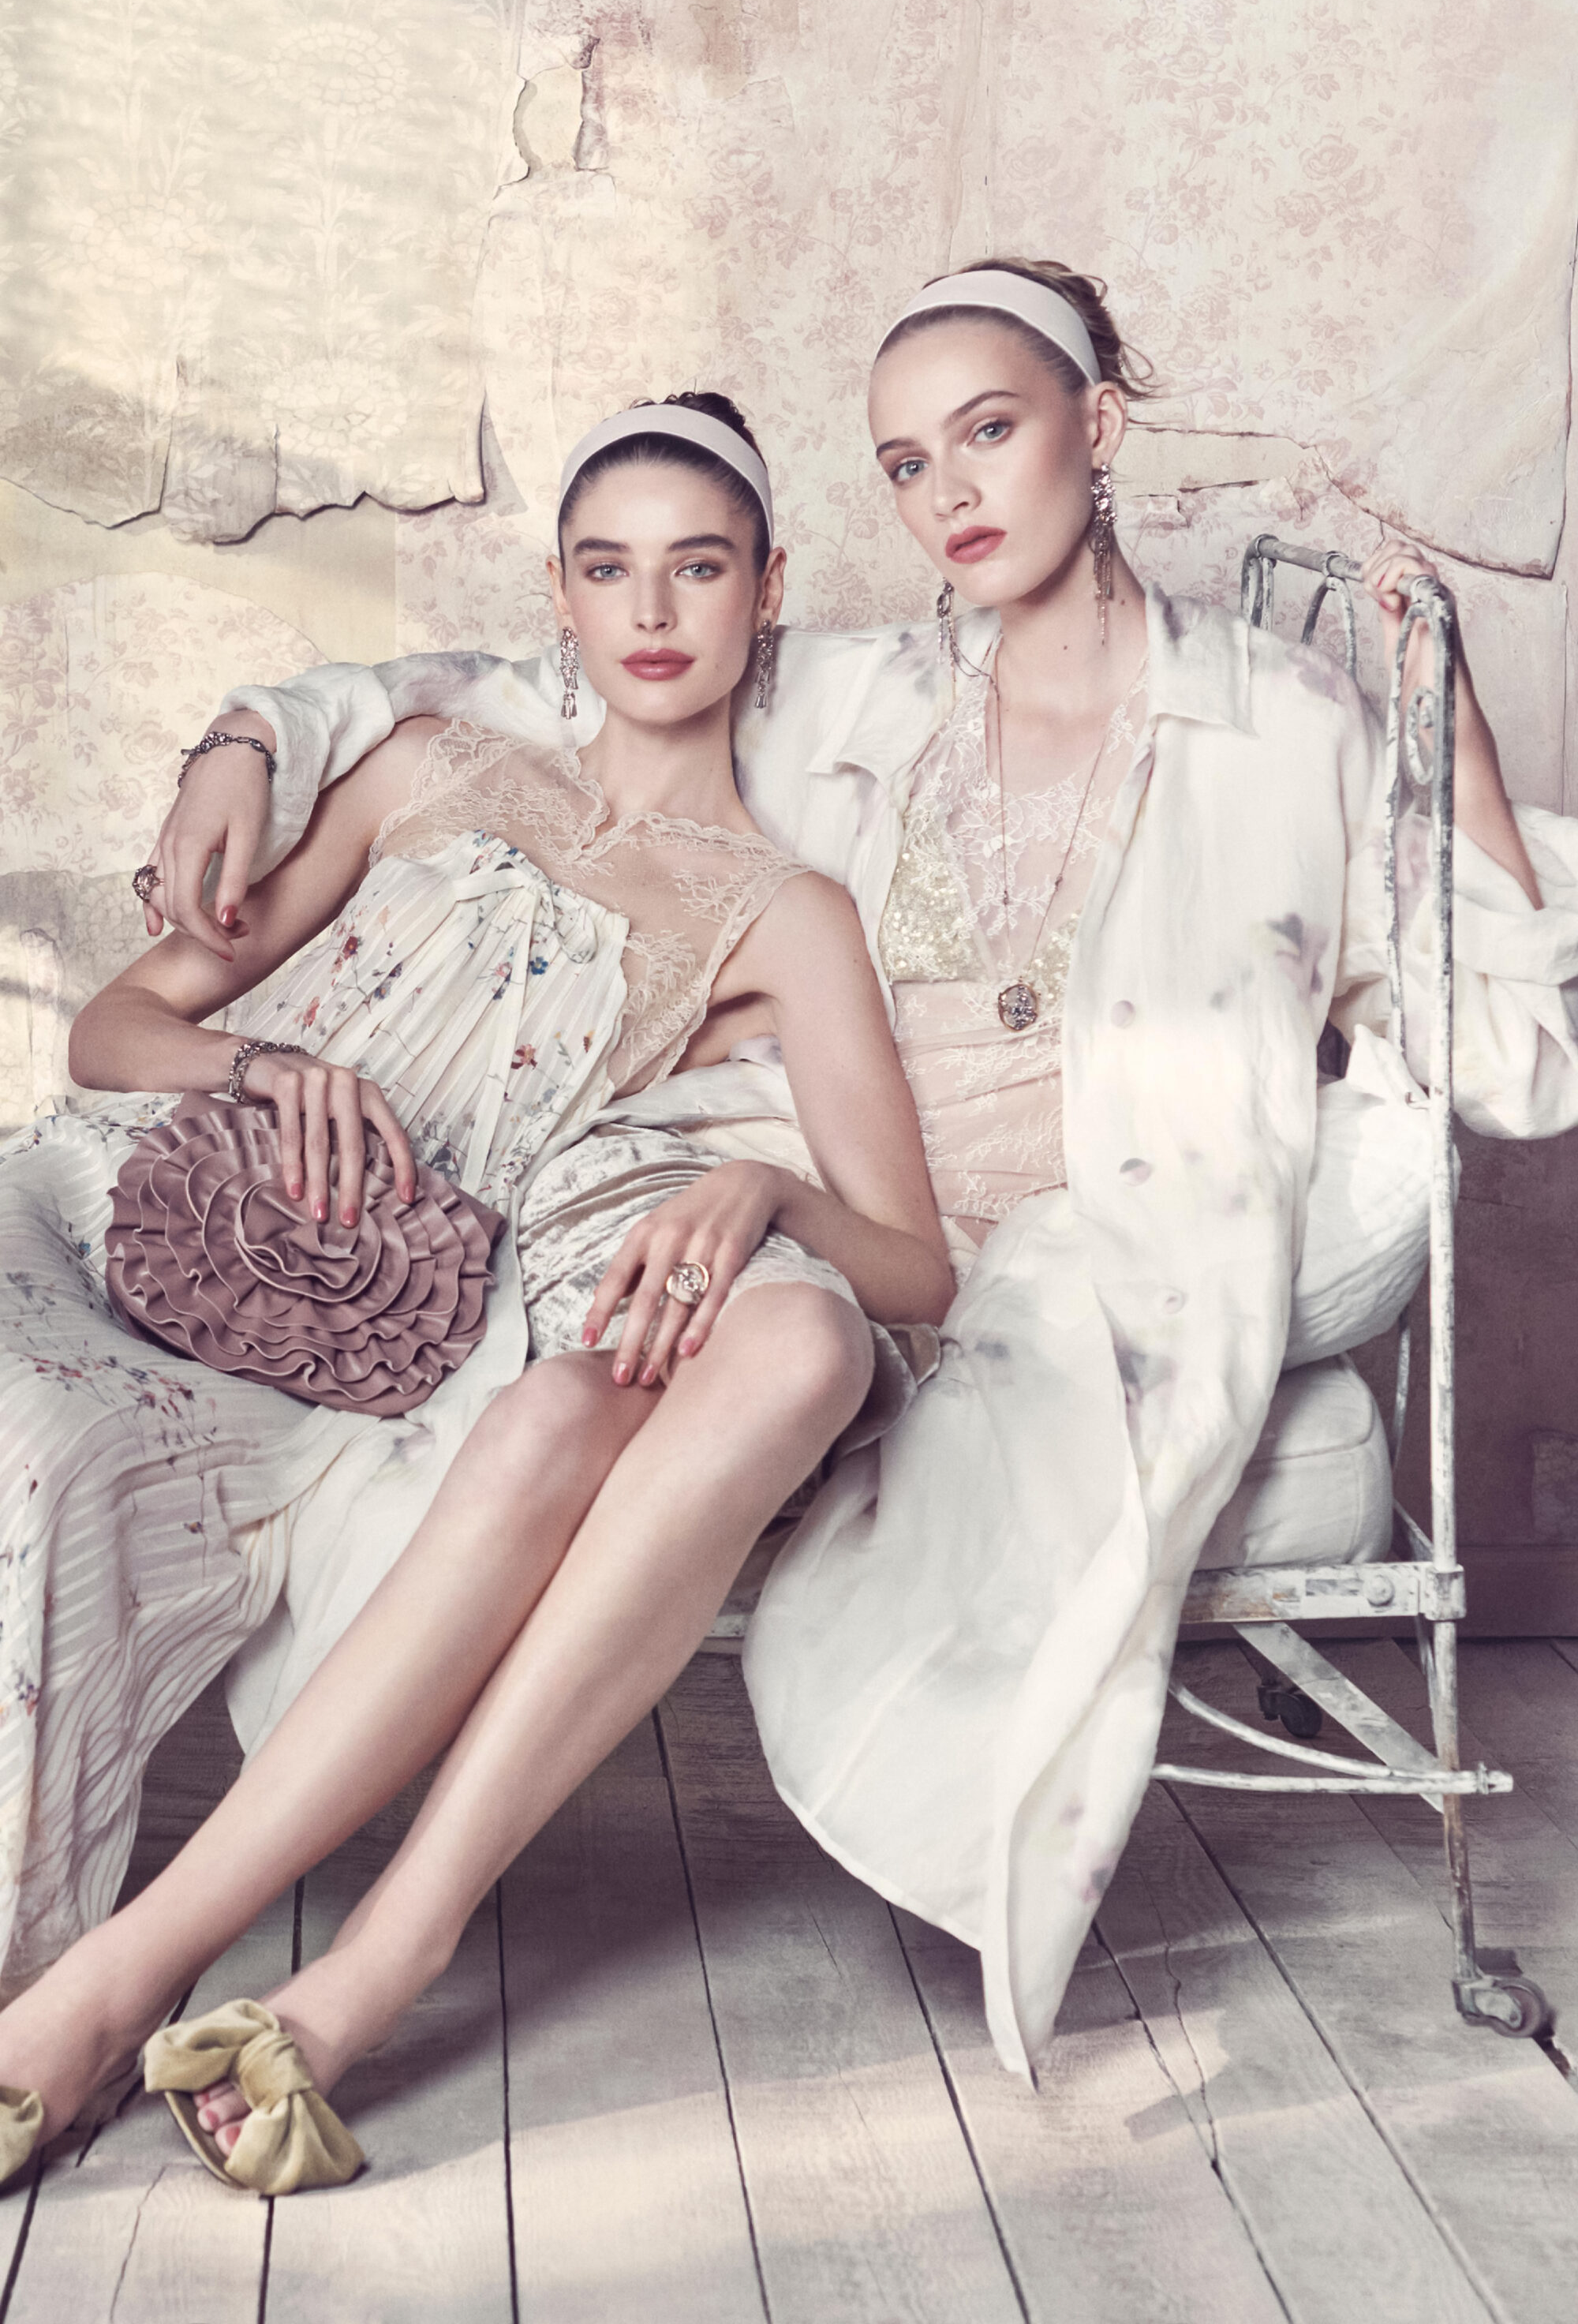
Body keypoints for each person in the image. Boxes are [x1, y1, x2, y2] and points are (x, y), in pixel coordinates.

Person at [132, 260, 1578, 2083]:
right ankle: (183, 1961)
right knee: (579, 1390)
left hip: (1067, 1253)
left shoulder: (1282, 721)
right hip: (807, 1193)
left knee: (752, 1370)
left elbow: (1506, 1055)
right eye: (903, 464)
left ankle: (349, 1962)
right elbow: (540, 682)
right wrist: (250, 736)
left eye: (988, 432)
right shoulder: (862, 690)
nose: (948, 494)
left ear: (1097, 426)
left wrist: (1451, 737)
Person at [0, 395, 952, 2191]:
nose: (651, 611)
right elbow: (114, 1026)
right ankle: (116, 1976)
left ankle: (182, 1986)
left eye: (698, 568)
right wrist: (263, 1068)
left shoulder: (782, 912)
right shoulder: (428, 768)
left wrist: (769, 1186)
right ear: (558, 595)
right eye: (608, 568)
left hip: (422, 1292)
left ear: (767, 590)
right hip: (163, 1212)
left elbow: (914, 1261)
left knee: (633, 1389)